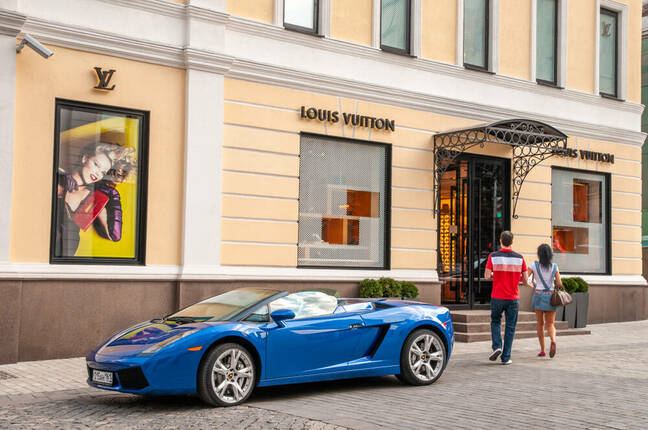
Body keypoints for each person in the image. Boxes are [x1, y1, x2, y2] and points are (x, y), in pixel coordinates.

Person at [55, 142, 131, 257]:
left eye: (103, 172)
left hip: (63, 260)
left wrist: (113, 195)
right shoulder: (56, 177)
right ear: (85, 158)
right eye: (96, 164)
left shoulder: (92, 198)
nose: (97, 173)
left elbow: (114, 235)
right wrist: (60, 178)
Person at [484, 231, 528, 365]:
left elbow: (486, 276)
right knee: (510, 327)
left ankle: (497, 346)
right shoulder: (520, 258)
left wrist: (495, 275)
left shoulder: (493, 256)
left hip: (497, 296)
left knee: (495, 321)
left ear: (500, 241)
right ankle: (506, 357)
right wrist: (515, 277)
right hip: (513, 297)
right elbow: (525, 280)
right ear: (512, 242)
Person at [527, 244, 562, 358]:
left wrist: (532, 283)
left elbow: (525, 277)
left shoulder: (533, 265)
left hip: (538, 295)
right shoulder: (554, 267)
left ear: (539, 254)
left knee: (540, 324)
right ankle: (553, 340)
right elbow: (559, 283)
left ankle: (542, 350)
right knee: (550, 324)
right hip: (550, 297)